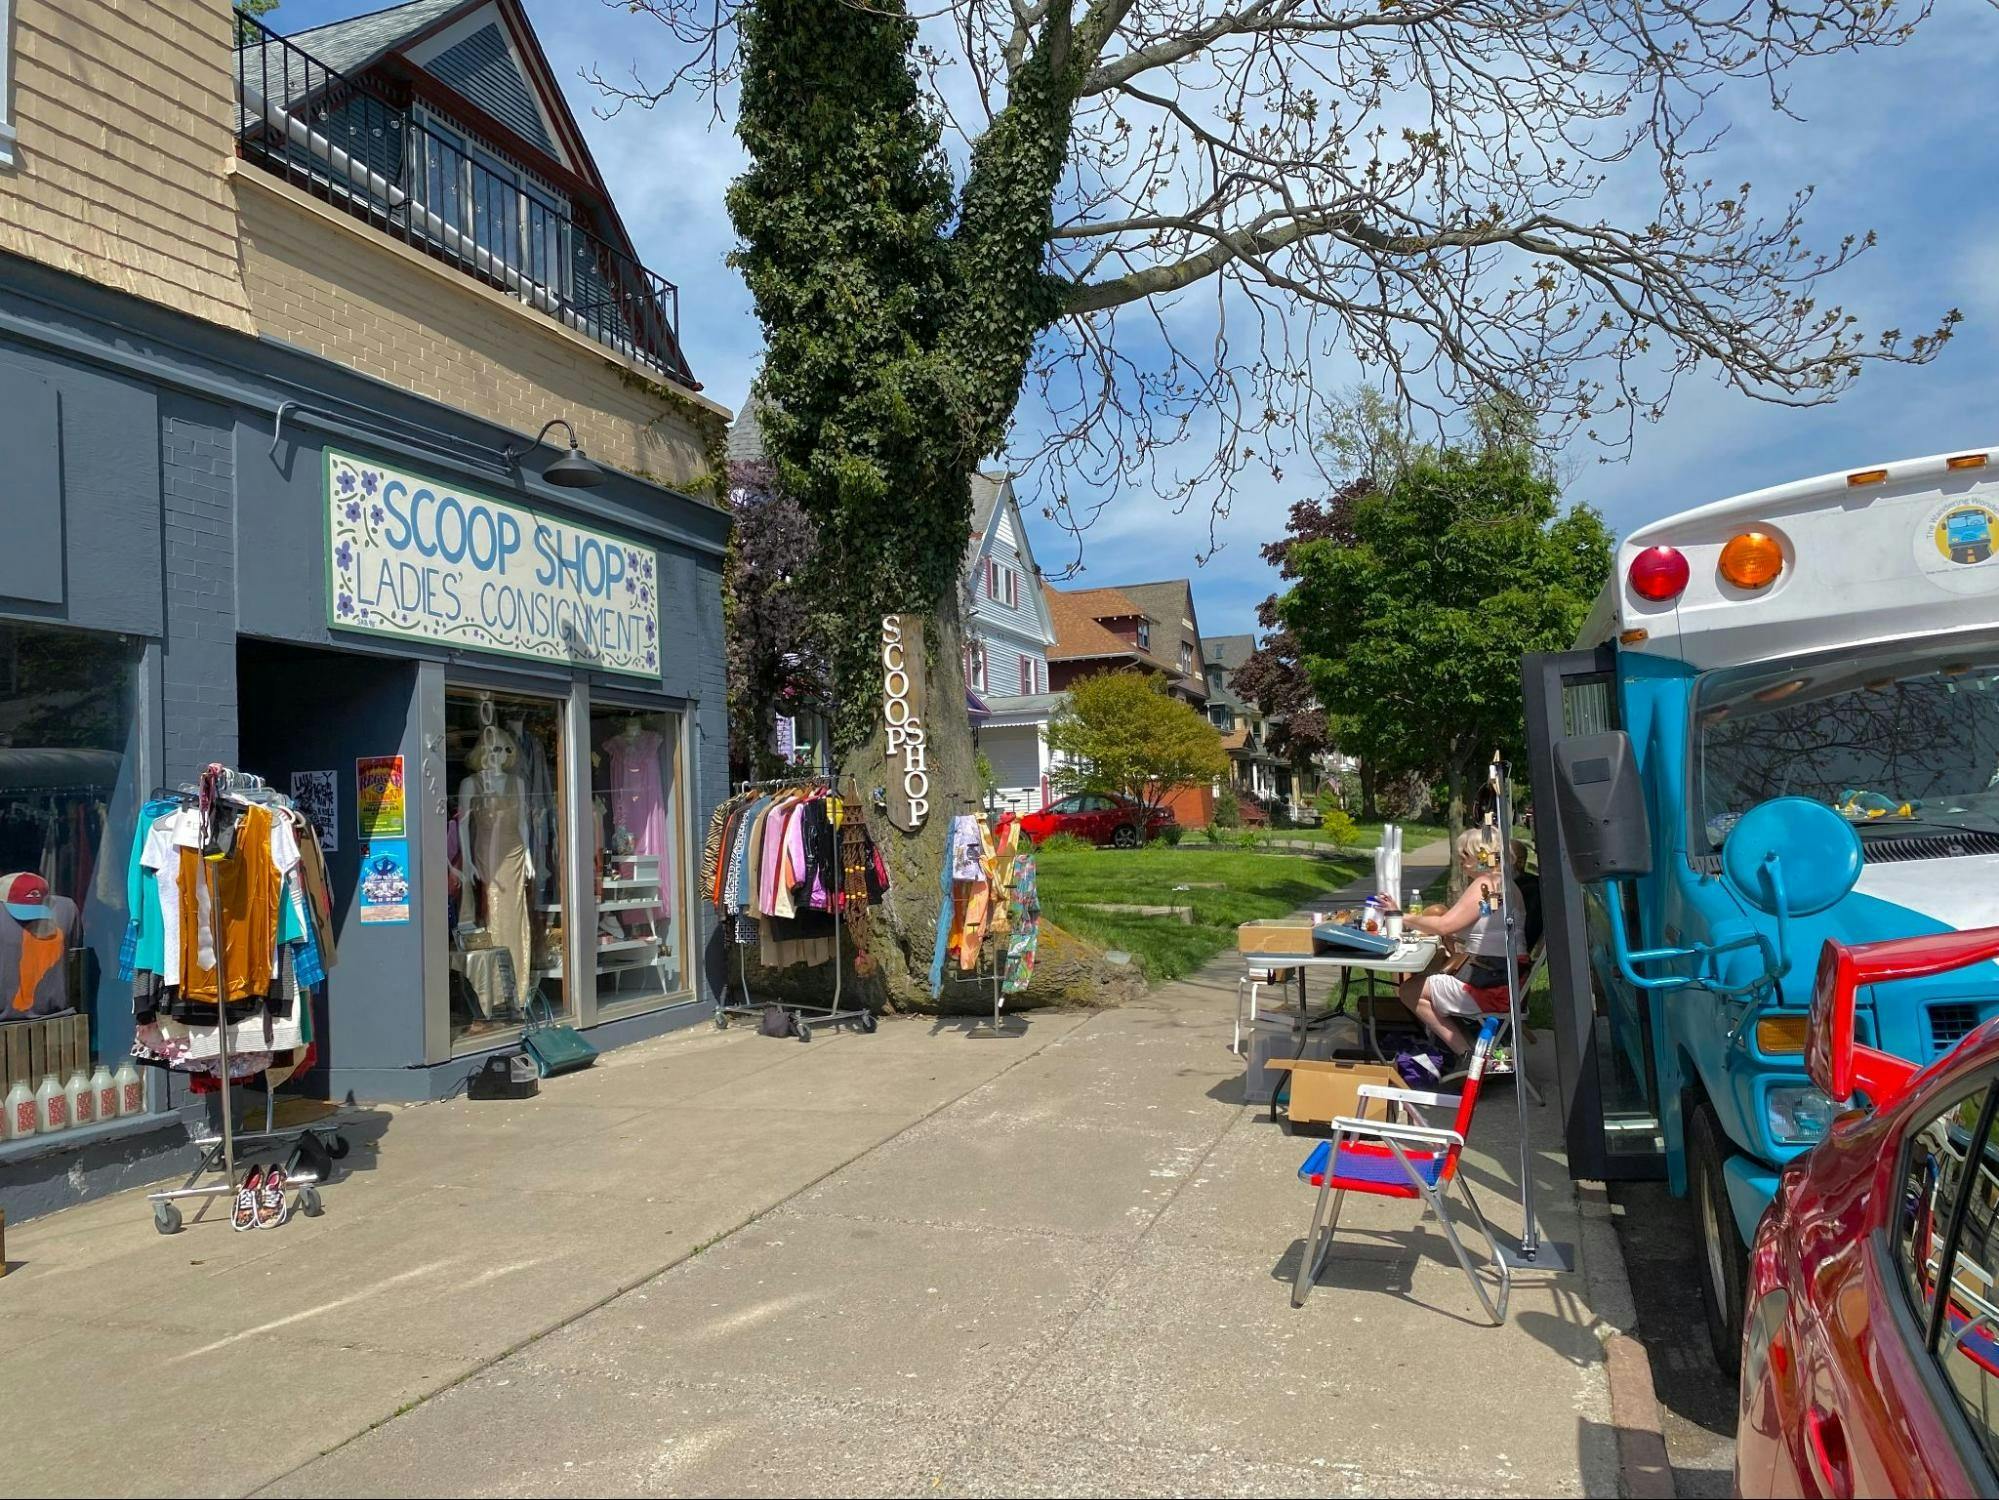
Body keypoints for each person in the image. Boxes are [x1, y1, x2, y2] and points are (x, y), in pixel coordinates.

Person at [1376, 829, 1527, 1084]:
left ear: (1482, 856)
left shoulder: (1485, 884)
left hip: (1490, 986)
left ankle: (1469, 1055)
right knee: (1427, 982)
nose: (1460, 861)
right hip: (1508, 979)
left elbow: (1445, 925)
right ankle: (1480, 1054)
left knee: (1410, 991)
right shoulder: (1504, 884)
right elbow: (1469, 925)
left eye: (1464, 855)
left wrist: (1401, 916)